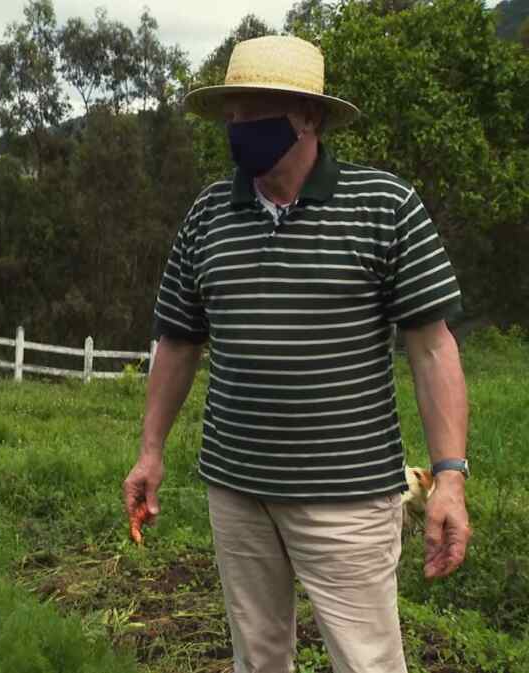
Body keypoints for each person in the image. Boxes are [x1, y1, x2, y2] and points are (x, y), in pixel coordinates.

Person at [122, 36, 471, 673]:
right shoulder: (207, 216)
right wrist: (150, 450)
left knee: (368, 663)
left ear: (307, 116)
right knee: (257, 659)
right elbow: (177, 340)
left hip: (348, 498)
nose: (237, 126)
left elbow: (431, 348)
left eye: (254, 110)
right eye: (231, 113)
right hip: (236, 491)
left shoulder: (383, 207)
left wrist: (448, 476)